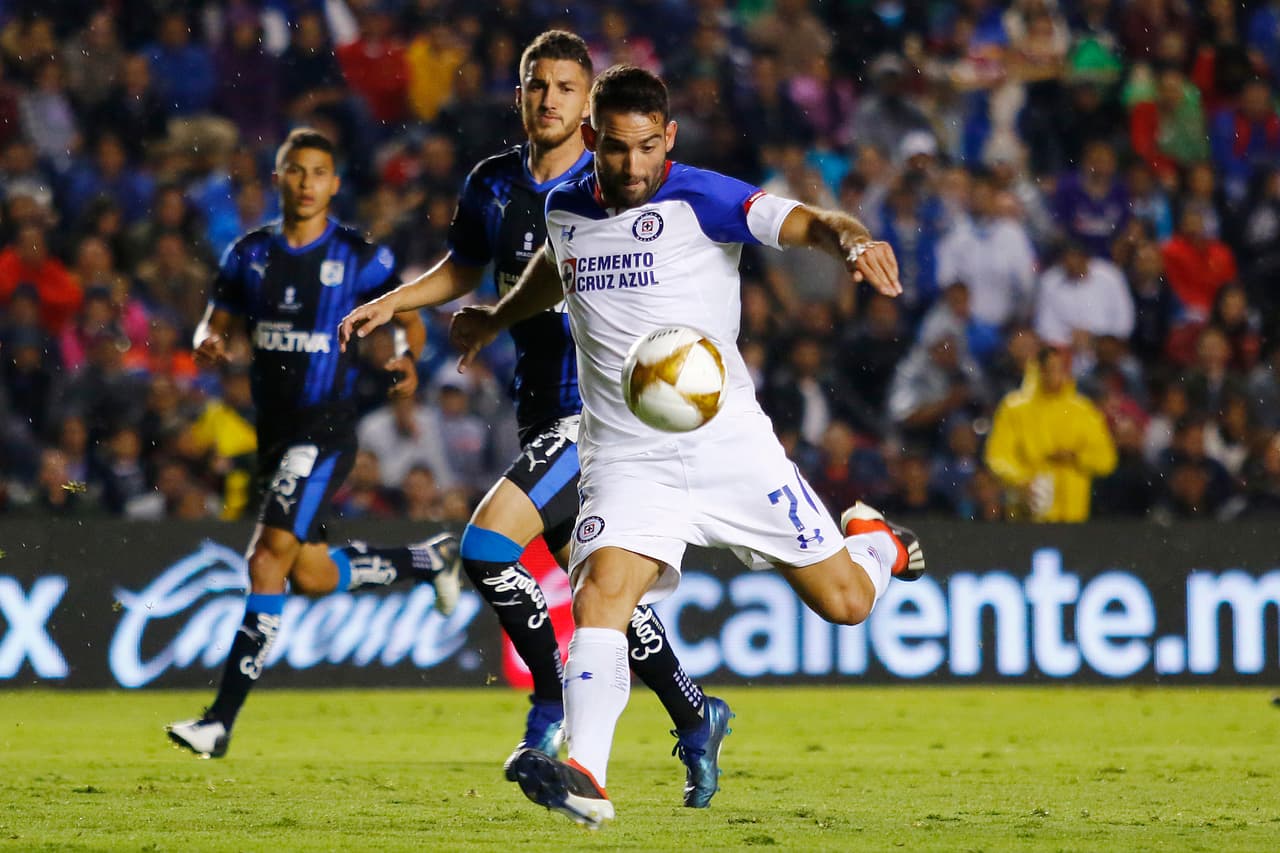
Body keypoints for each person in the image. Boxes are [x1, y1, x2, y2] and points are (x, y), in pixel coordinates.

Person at [448, 65, 926, 828]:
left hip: (730, 447)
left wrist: (855, 239)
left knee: (846, 602)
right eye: (616, 150)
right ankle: (587, 774)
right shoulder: (564, 206)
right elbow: (555, 271)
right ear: (592, 139)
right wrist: (497, 316)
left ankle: (876, 544)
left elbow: (809, 220)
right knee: (603, 593)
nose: (632, 166)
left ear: (666, 138)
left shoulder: (705, 197)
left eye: (647, 148)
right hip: (627, 455)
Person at [338, 33, 727, 808]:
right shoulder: (491, 184)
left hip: (600, 414)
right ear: (519, 95)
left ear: (590, 105)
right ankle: (695, 712)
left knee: (485, 545)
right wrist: (394, 301)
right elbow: (462, 266)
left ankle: (550, 709)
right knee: (600, 594)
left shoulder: (613, 185)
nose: (548, 99)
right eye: (534, 85)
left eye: (563, 87)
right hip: (538, 408)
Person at [165, 128, 461, 759]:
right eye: (294, 171)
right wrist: (207, 339)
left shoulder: (358, 256)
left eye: (318, 172)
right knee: (313, 574)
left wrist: (406, 355)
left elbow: (406, 311)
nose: (306, 182)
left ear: (334, 183)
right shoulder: (248, 255)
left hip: (325, 428)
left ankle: (219, 720)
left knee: (265, 559)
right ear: (279, 179)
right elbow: (215, 318)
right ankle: (426, 561)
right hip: (274, 433)